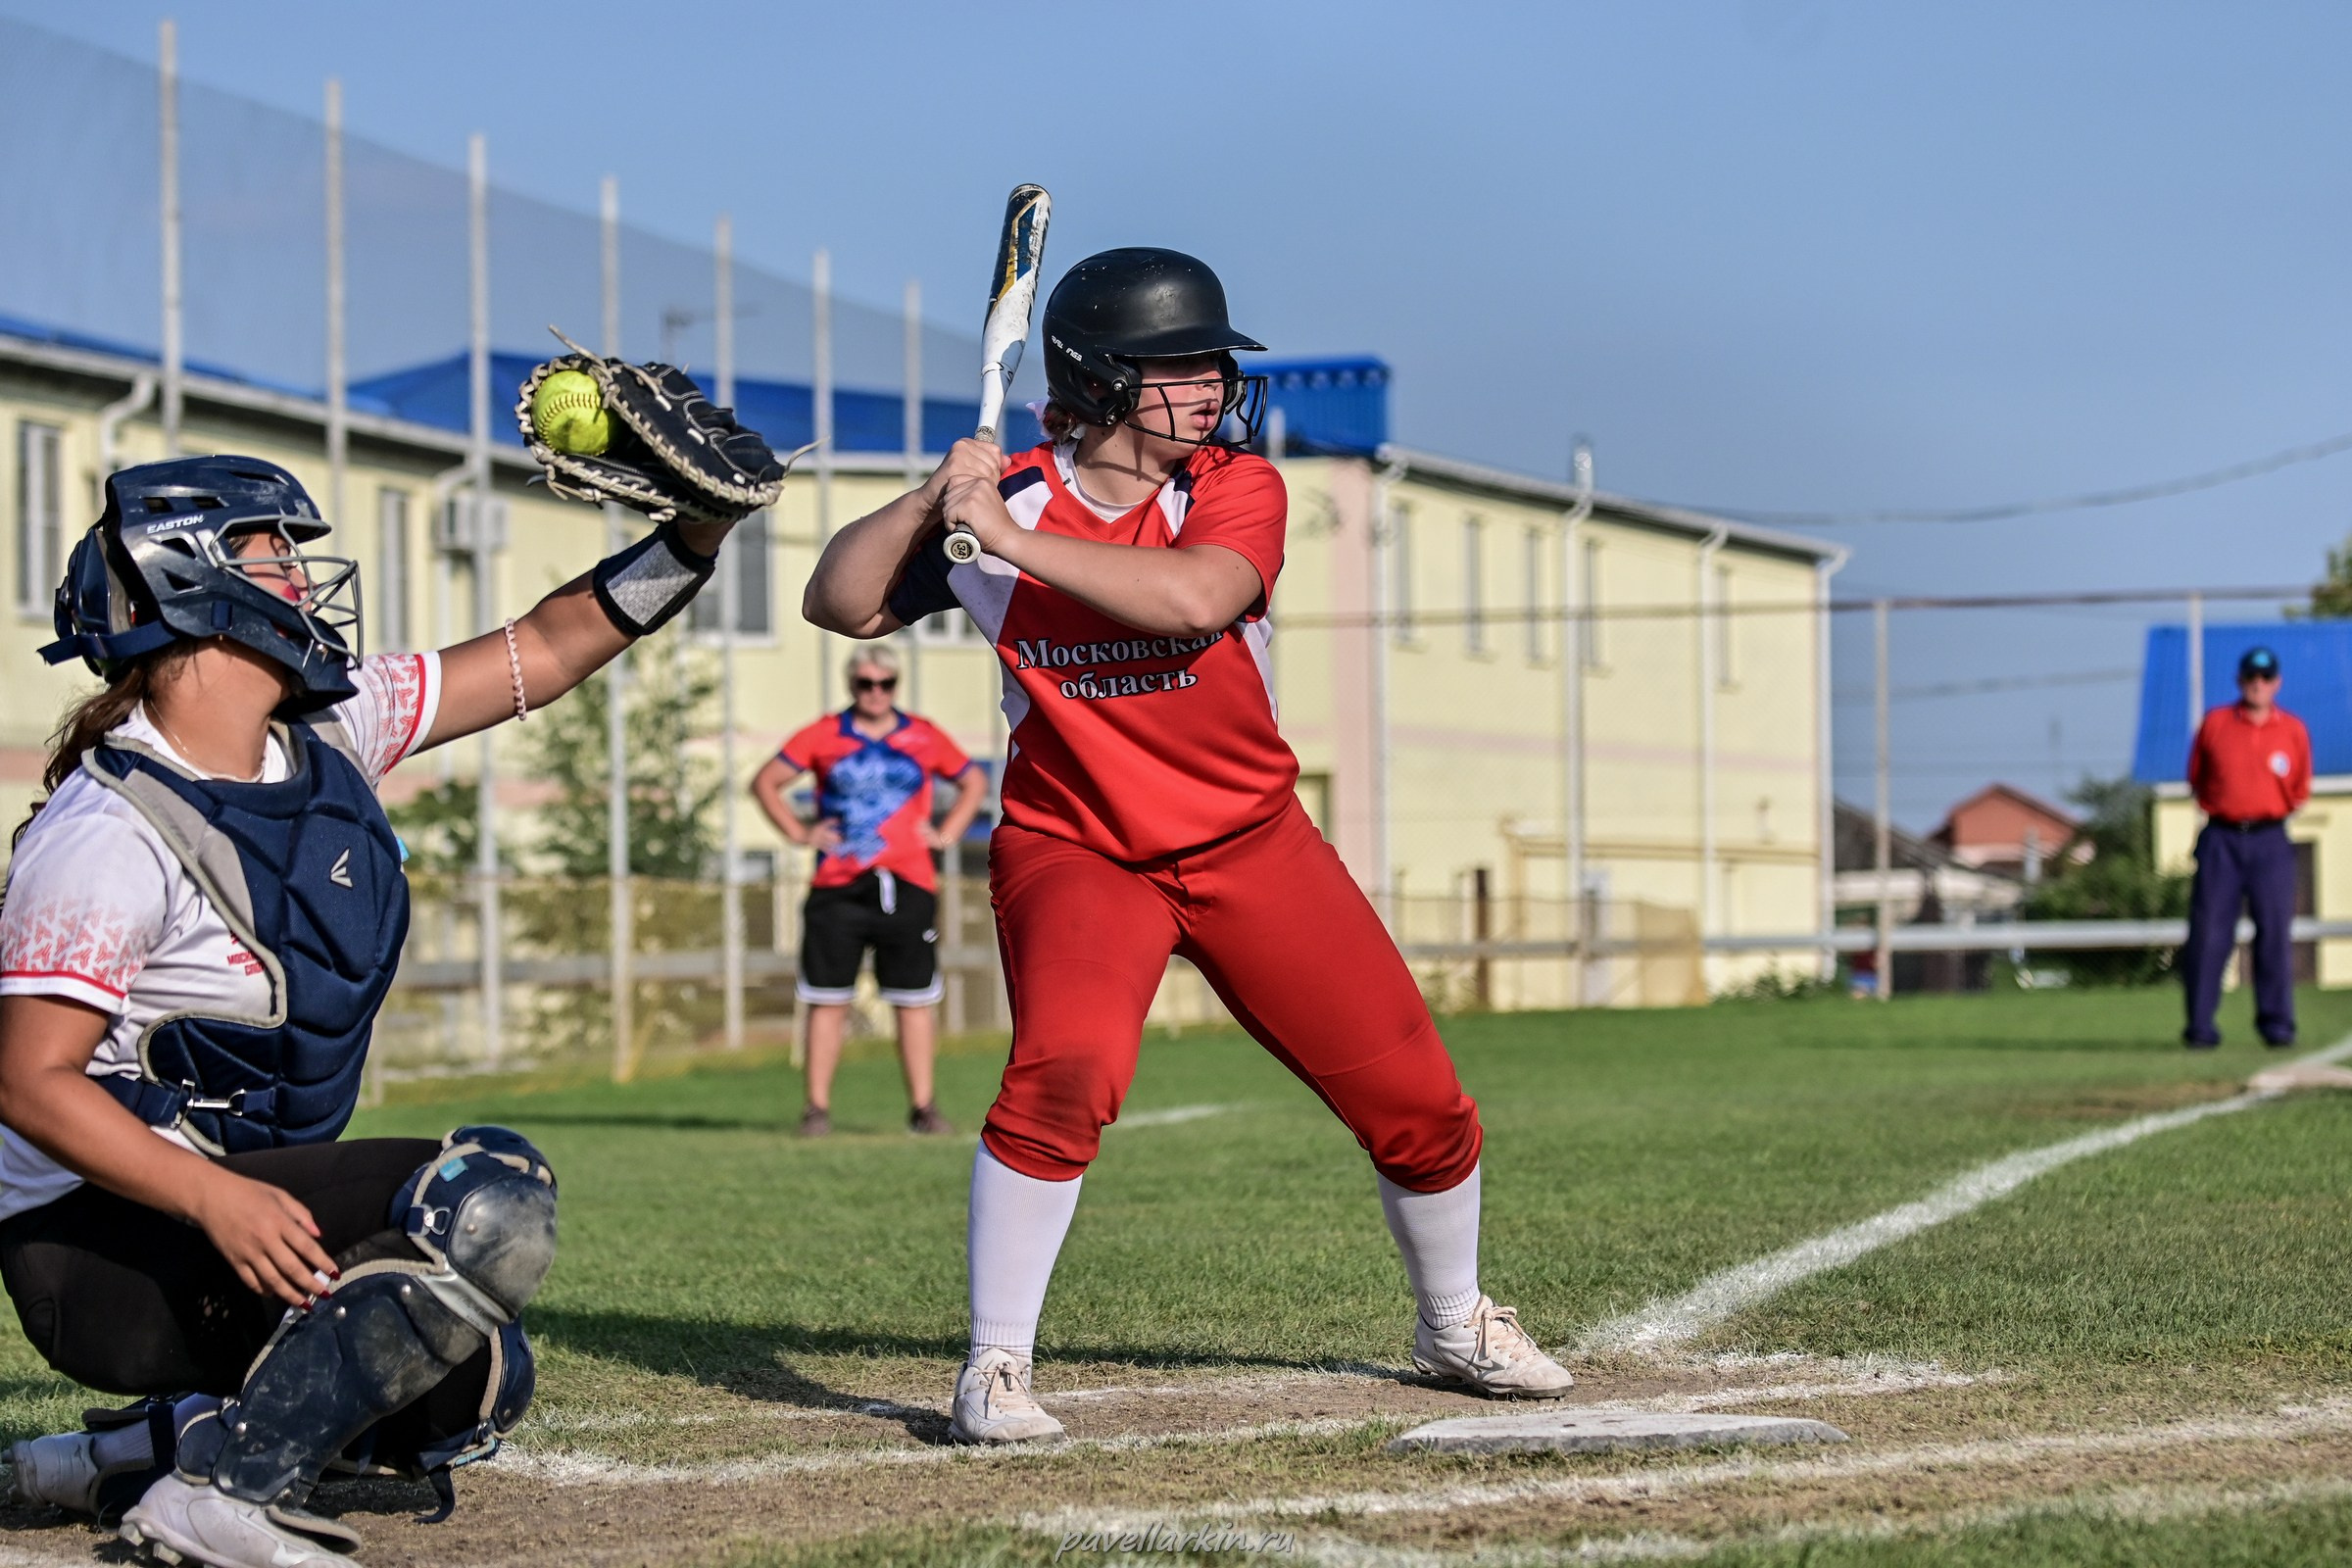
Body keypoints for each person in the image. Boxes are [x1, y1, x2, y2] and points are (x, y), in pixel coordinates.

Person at [805, 247, 1574, 1446]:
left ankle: (1455, 1318)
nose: (1211, 385)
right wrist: (929, 501)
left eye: (1212, 363)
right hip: (1078, 847)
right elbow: (840, 602)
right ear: (1102, 382)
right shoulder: (1004, 494)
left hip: (1249, 839)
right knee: (1063, 1076)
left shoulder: (1232, 486)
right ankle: (994, 1367)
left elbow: (1196, 599)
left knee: (1420, 1102)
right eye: (1178, 367)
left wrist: (1000, 539)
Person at [0, 446, 759, 1566]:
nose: (302, 581)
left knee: (467, 1388)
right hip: (96, 1246)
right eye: (272, 554)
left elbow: (543, 651)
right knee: (485, 1202)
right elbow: (26, 1080)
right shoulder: (110, 829)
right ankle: (222, 1494)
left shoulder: (325, 731)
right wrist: (213, 1199)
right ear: (190, 582)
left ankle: (136, 1453)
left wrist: (693, 538)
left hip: (215, 1209)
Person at [751, 645, 986, 1137]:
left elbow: (973, 781)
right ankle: (816, 1109)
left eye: (885, 683)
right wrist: (800, 833)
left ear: (897, 685)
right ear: (851, 685)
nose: (876, 693)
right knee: (826, 997)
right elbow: (767, 782)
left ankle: (924, 1107)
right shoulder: (823, 734)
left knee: (913, 998)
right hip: (839, 886)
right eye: (865, 684)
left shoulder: (923, 734)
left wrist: (945, 835)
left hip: (909, 883)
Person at [2180, 645, 2311, 1050]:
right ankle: (2200, 1028)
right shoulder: (2217, 724)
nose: (2258, 686)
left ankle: (2277, 1026)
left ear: (2276, 683)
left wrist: (2266, 812)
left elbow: (2299, 787)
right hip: (2222, 838)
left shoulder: (2291, 730)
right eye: (2251, 679)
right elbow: (2197, 777)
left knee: (2274, 933)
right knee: (2209, 934)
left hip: (2271, 839)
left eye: (2265, 679)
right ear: (2240, 681)